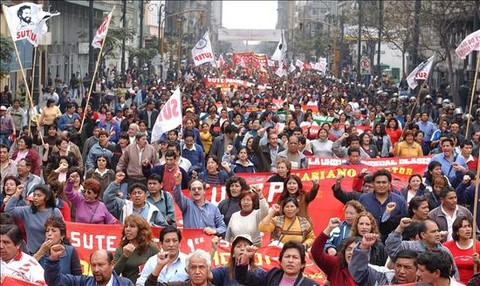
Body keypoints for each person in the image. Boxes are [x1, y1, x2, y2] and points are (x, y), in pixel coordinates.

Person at [385, 218, 459, 278]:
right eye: (433, 232)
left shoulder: (445, 251)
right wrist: (400, 227)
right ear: (423, 235)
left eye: (438, 231)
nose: (437, 234)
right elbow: (392, 248)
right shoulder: (409, 247)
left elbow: (454, 272)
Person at [6, 184, 63, 254]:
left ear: (47, 198)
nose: (35, 198)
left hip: (52, 252)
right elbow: (8, 210)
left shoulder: (55, 211)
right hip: (32, 253)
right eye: (34, 195)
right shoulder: (27, 211)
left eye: (39, 196)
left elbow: (62, 230)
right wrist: (17, 193)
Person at [235, 241, 319, 286]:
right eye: (287, 256)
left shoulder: (310, 284)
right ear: (280, 261)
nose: (290, 260)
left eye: (295, 257)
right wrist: (245, 259)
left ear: (302, 264)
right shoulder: (272, 275)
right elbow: (243, 278)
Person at [349, 232, 419, 285]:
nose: (401, 271)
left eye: (407, 267)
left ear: (417, 270)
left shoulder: (425, 283)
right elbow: (358, 273)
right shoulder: (382, 276)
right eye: (398, 266)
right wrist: (364, 247)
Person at [173, 171, 227, 236]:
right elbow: (177, 196)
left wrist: (214, 231)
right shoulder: (186, 204)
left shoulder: (213, 208)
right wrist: (178, 184)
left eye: (199, 188)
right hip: (191, 242)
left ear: (204, 191)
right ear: (189, 192)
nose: (196, 191)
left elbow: (223, 227)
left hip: (208, 243)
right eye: (193, 189)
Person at [103, 173, 169, 226]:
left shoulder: (153, 210)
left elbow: (164, 227)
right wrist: (117, 182)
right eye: (134, 193)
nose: (137, 195)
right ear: (129, 196)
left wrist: (152, 226)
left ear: (146, 195)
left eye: (140, 193)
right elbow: (107, 198)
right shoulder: (123, 206)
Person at [44, 248, 134, 286]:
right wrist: (53, 259)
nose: (96, 269)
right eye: (93, 265)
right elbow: (54, 281)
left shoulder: (125, 284)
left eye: (101, 265)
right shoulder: (82, 283)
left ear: (112, 264)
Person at [310, 217, 359, 285]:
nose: (351, 252)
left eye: (355, 250)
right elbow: (316, 251)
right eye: (349, 249)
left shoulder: (368, 272)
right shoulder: (336, 264)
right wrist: (329, 229)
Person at [114, 215, 159, 283]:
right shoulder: (121, 248)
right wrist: (125, 256)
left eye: (132, 226)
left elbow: (160, 269)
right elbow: (114, 274)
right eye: (126, 226)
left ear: (141, 230)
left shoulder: (151, 247)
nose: (128, 229)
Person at [443, 216, 480, 284]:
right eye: (464, 227)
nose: (468, 229)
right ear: (457, 231)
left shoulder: (478, 246)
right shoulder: (446, 247)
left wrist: (478, 262)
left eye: (469, 226)